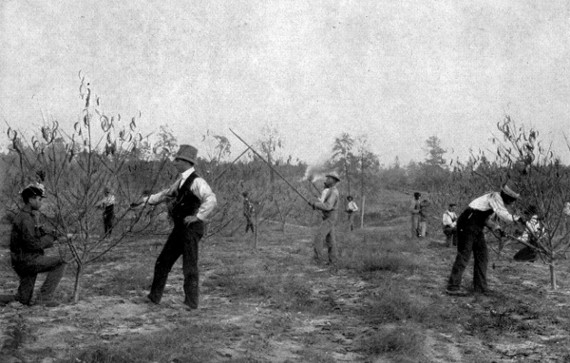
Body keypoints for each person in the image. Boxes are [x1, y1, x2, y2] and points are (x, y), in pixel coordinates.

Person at [131, 145, 217, 310]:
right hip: (180, 228)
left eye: (177, 160)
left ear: (186, 162)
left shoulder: (198, 181)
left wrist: (198, 216)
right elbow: (164, 195)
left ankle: (191, 303)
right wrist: (143, 201)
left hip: (191, 229)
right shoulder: (180, 181)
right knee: (163, 261)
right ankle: (153, 298)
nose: (174, 162)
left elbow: (211, 199)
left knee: (189, 265)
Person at [446, 183, 524, 296]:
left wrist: (496, 228)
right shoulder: (495, 197)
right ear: (507, 196)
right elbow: (503, 214)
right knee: (464, 255)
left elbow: (484, 219)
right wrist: (519, 219)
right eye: (512, 200)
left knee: (483, 255)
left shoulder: (493, 200)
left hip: (476, 226)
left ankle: (480, 287)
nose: (512, 202)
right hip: (467, 224)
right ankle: (452, 287)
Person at [9, 184, 66, 307]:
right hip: (27, 261)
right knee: (61, 262)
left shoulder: (27, 216)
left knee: (22, 299)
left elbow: (33, 236)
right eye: (39, 199)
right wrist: (51, 238)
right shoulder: (26, 219)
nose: (41, 203)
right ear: (30, 200)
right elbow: (33, 244)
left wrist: (50, 234)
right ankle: (43, 299)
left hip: (21, 261)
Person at [308, 171, 340, 265]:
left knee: (319, 236)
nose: (326, 180)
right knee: (330, 240)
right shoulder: (330, 191)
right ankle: (333, 261)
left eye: (328, 178)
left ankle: (317, 260)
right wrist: (315, 204)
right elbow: (324, 204)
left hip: (330, 217)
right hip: (328, 216)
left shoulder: (333, 192)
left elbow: (328, 206)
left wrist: (315, 204)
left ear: (333, 181)